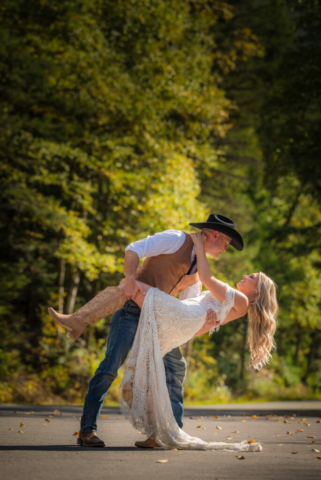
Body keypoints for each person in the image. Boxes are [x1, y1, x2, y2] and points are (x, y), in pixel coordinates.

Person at [49, 214, 244, 448]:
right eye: (226, 243)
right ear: (215, 235)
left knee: (176, 368)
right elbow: (133, 248)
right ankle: (87, 430)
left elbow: (183, 310)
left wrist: (206, 324)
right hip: (132, 309)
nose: (225, 249)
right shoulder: (175, 238)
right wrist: (130, 279)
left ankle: (171, 434)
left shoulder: (196, 276)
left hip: (157, 322)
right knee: (111, 367)